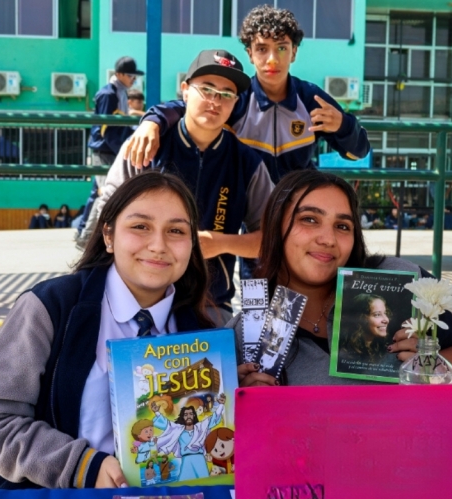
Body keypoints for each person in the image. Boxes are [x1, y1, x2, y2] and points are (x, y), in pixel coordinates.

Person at [0, 171, 214, 490]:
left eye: (176, 231)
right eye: (140, 226)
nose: (158, 245)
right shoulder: (51, 307)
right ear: (108, 235)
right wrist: (81, 467)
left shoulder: (211, 328)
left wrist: (241, 396)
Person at [233, 170, 452, 387]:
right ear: (275, 226)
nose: (328, 239)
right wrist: (241, 400)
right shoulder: (248, 330)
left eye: (342, 226)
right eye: (309, 219)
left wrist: (433, 368)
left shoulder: (403, 280)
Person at [84, 49, 275, 324]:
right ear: (185, 91)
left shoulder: (247, 162)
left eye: (226, 94)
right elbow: (106, 217)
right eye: (206, 89)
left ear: (235, 102)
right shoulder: (146, 145)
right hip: (135, 298)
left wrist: (219, 243)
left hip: (209, 302)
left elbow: (269, 239)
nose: (214, 100)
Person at [124, 6, 370, 183]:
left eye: (282, 48)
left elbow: (359, 151)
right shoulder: (239, 98)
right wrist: (152, 122)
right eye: (262, 49)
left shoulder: (310, 99)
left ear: (294, 53)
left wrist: (344, 124)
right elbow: (192, 105)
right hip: (247, 209)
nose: (272, 59)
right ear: (250, 54)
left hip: (298, 208)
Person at [76, 56, 145, 249]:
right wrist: (123, 151)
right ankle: (87, 237)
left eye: (135, 76)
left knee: (96, 193)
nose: (133, 79)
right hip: (105, 149)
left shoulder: (120, 92)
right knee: (105, 192)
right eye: (131, 75)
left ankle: (83, 233)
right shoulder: (109, 94)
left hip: (109, 148)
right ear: (119, 74)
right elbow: (107, 129)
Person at [338, 294, 392, 364]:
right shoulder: (345, 353)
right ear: (361, 318)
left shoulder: (383, 349)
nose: (386, 320)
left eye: (385, 313)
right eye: (377, 315)